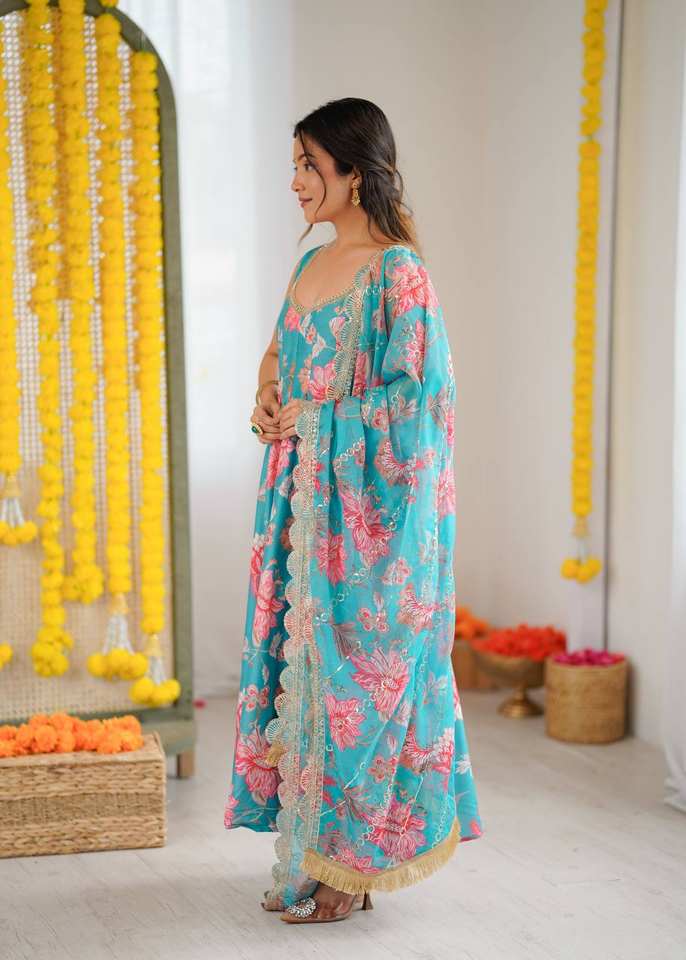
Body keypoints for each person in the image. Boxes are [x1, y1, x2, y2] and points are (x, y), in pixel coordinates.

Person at [224, 97, 483, 925]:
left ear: (356, 172)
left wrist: (321, 419)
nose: (295, 181)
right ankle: (315, 853)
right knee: (304, 677)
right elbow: (279, 355)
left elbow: (421, 401)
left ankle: (357, 865)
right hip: (301, 507)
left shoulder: (398, 273)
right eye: (295, 163)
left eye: (309, 164)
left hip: (369, 526)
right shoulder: (310, 266)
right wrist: (270, 398)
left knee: (361, 688)